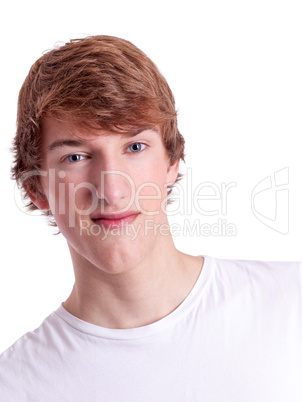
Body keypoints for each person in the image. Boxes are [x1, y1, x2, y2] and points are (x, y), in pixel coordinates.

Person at [0, 35, 301, 402]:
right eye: (76, 157)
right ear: (36, 188)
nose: (112, 191)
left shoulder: (291, 307)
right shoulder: (14, 385)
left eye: (135, 147)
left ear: (172, 161)